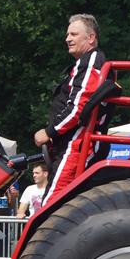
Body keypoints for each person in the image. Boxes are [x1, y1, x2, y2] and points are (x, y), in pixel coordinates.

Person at [34, 14, 114, 204]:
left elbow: (79, 106)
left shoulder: (91, 62)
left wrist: (49, 132)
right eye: (67, 34)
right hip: (72, 142)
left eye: (74, 34)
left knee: (52, 204)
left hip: (77, 143)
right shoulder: (84, 63)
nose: (67, 39)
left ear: (91, 38)